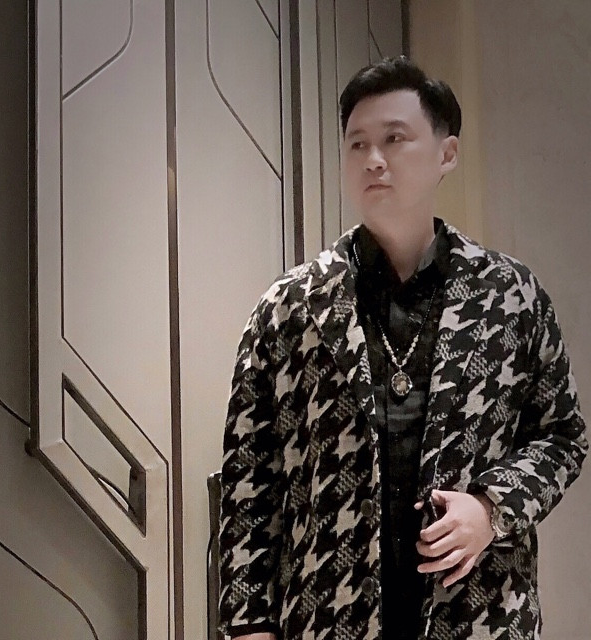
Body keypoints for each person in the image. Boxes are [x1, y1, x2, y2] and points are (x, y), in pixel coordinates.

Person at [218, 56, 588, 640]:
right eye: (357, 143)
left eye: (395, 138)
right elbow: (249, 479)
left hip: (480, 614)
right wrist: (248, 627)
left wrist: (491, 509)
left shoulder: (510, 295)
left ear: (447, 153)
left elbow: (563, 435)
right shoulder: (289, 308)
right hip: (327, 615)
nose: (374, 158)